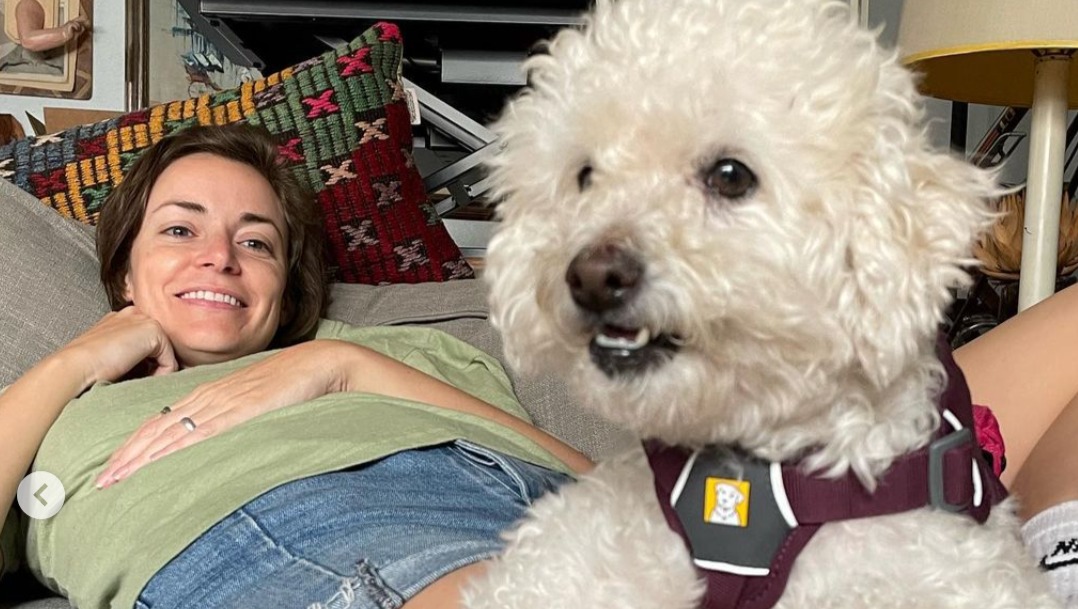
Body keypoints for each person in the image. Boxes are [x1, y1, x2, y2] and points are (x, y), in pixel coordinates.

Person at [0, 123, 592, 609]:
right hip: (265, 539)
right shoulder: (54, 415)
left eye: (255, 243)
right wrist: (72, 363)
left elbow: (602, 488)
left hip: (509, 502)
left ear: (284, 290)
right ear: (125, 273)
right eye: (180, 229)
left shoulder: (394, 352)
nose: (220, 257)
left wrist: (339, 366)